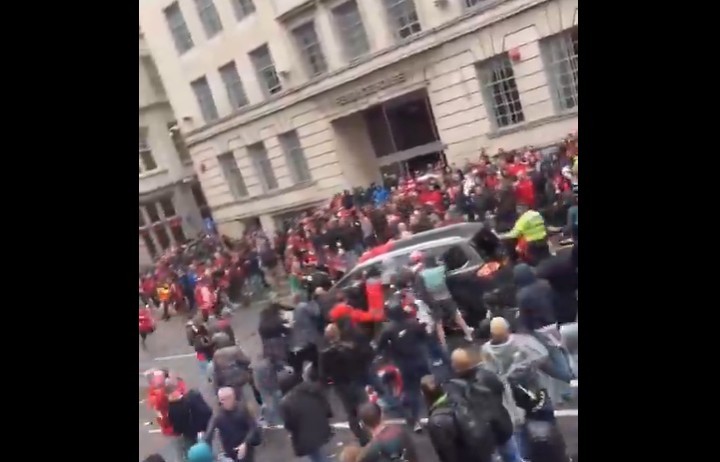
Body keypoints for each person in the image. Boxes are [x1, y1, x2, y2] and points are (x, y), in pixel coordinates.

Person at [445, 349, 522, 462]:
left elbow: (461, 413)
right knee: (513, 457)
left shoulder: (454, 388)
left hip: (484, 436)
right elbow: (500, 389)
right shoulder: (487, 375)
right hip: (502, 426)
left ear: (454, 366)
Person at [375, 298, 429, 431]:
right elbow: (424, 337)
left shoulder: (388, 330)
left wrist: (389, 351)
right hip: (419, 359)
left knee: (411, 390)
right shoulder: (413, 323)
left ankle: (414, 420)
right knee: (423, 386)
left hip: (404, 364)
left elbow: (379, 347)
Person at [318, 323, 371, 445]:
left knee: (351, 412)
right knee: (365, 406)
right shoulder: (350, 348)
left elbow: (323, 375)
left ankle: (360, 435)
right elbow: (362, 361)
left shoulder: (325, 354)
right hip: (356, 381)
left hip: (341, 386)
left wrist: (330, 382)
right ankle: (370, 430)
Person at [421, 375, 492, 462]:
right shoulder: (458, 398)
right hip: (481, 453)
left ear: (424, 395)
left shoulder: (437, 422)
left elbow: (448, 453)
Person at [412, 251, 474, 344]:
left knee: (439, 323)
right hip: (446, 297)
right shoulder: (441, 269)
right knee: (457, 316)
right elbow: (450, 272)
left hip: (434, 300)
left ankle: (443, 343)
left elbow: (421, 289)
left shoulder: (421, 274)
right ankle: (468, 335)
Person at [279, 372, 334, 462]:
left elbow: (289, 424)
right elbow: (324, 404)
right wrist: (328, 415)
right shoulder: (311, 389)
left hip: (305, 437)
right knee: (322, 451)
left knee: (317, 456)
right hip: (321, 426)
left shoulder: (285, 403)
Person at [205, 387, 260, 462]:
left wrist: (245, 443)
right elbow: (209, 433)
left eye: (225, 399)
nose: (222, 402)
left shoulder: (243, 409)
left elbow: (253, 427)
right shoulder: (218, 414)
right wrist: (206, 449)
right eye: (221, 399)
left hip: (246, 449)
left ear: (232, 397)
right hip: (230, 450)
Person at [166, 377, 213, 462]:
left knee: (191, 454)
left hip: (189, 435)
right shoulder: (193, 395)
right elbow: (208, 412)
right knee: (206, 452)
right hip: (203, 430)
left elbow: (177, 428)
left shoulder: (173, 407)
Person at [211, 332, 256, 414]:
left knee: (235, 405)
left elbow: (216, 372)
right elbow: (247, 360)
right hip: (241, 380)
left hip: (228, 384)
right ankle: (251, 417)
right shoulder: (235, 350)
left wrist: (216, 388)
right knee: (247, 402)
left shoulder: (216, 355)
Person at [288, 293, 323, 381]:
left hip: (301, 340)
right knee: (315, 358)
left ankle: (300, 378)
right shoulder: (303, 306)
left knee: (301, 362)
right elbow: (316, 313)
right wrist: (314, 303)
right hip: (309, 337)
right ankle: (317, 375)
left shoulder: (297, 308)